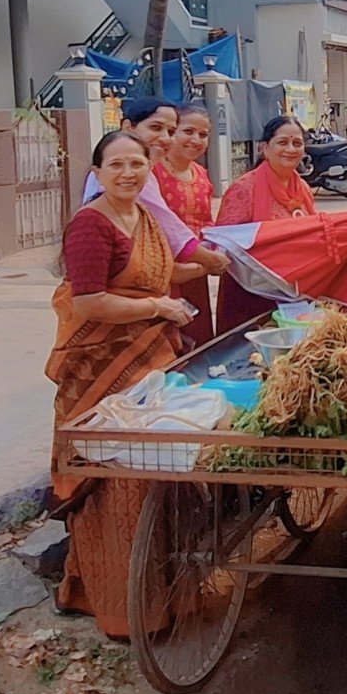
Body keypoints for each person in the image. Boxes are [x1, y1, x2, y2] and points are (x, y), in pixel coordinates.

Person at [46, 131, 196, 637]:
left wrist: (222, 261)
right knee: (111, 485)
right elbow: (89, 302)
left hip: (148, 364)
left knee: (155, 477)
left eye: (137, 163)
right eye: (116, 165)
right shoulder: (90, 225)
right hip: (98, 371)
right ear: (97, 173)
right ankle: (117, 608)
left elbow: (161, 270)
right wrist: (157, 306)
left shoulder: (145, 217)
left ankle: (169, 597)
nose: (128, 173)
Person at [83, 98, 228, 300]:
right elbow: (166, 225)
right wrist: (210, 260)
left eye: (170, 131)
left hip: (159, 269)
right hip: (125, 281)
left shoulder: (187, 172)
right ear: (128, 126)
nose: (165, 138)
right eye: (156, 127)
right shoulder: (133, 175)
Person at [214, 115, 317, 334]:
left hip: (294, 294)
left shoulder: (304, 189)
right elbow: (222, 243)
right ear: (264, 148)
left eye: (297, 143)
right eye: (282, 142)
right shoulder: (245, 188)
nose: (290, 149)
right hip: (250, 293)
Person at [153, 104, 215, 346]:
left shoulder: (202, 174)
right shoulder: (153, 173)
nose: (196, 140)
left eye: (203, 134)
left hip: (197, 270)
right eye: (188, 131)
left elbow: (207, 221)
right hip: (162, 272)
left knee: (198, 338)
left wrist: (210, 253)